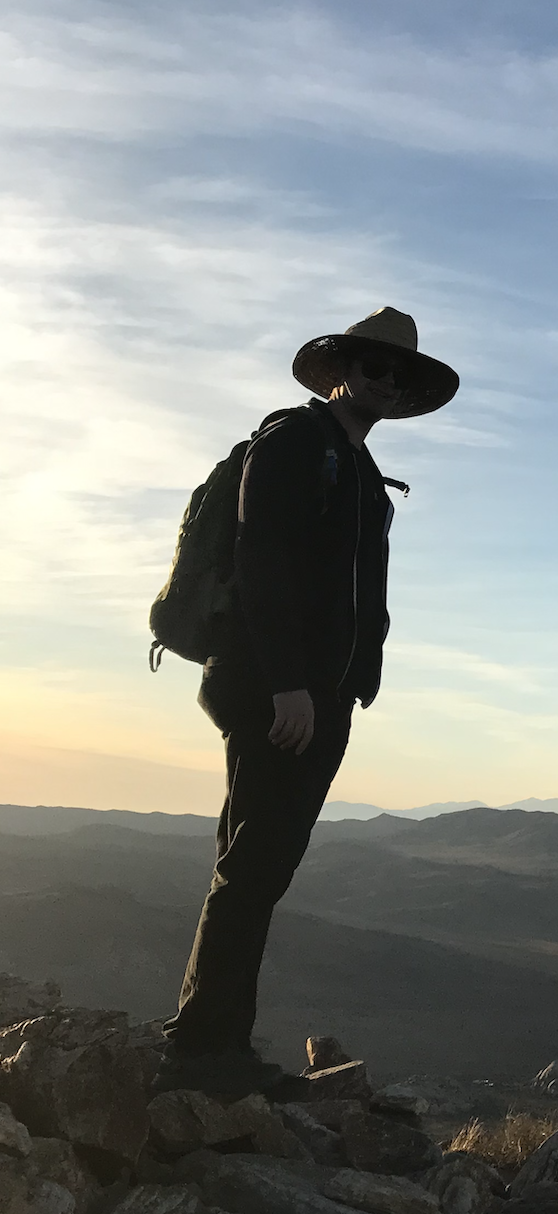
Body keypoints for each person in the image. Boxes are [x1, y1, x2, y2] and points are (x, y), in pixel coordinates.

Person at [158, 307, 460, 1097]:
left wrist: (344, 687)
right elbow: (260, 558)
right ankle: (202, 1050)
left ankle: (213, 1037)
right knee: (255, 866)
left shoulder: (356, 469)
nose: (385, 383)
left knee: (254, 864)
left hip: (316, 694)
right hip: (277, 690)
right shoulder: (296, 442)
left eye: (399, 375)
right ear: (339, 369)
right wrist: (291, 682)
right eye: (372, 366)